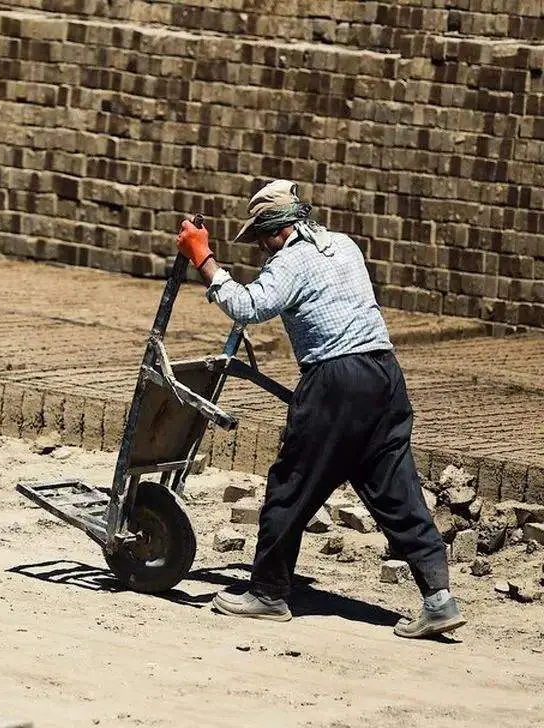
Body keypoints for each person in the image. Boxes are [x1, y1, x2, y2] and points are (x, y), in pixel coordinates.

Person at [175, 180, 463, 639]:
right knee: (396, 487)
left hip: (335, 381)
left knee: (292, 483)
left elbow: (250, 305)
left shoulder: (292, 259)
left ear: (275, 231)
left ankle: (268, 595)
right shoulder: (344, 246)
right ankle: (439, 599)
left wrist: (203, 258)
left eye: (263, 240)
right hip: (384, 374)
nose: (264, 250)